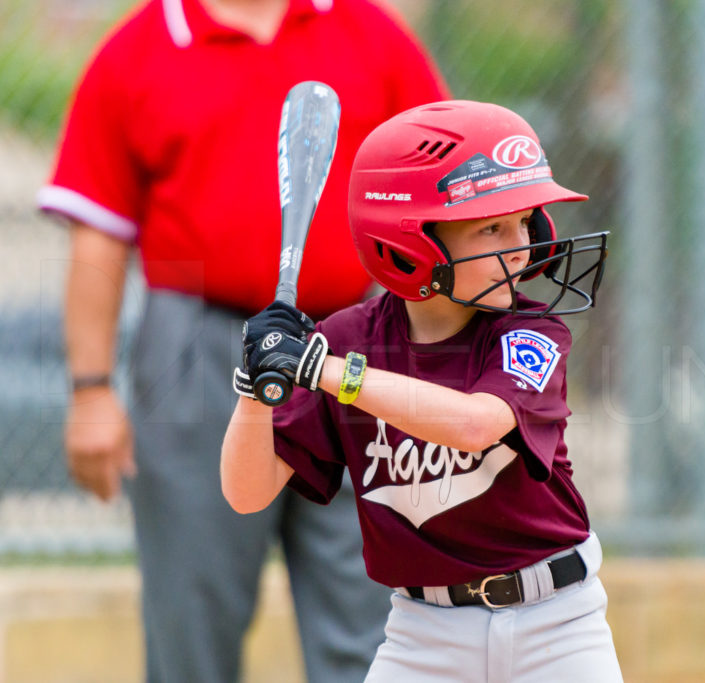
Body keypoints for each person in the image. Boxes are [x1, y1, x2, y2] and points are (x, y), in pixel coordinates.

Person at [37, 1, 449, 681]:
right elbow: (99, 237)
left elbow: (436, 203)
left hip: (353, 341)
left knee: (375, 626)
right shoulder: (141, 49)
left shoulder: (368, 32)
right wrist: (90, 393)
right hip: (196, 343)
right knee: (193, 619)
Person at [221, 99, 623, 682]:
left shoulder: (531, 332)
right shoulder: (346, 340)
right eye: (492, 226)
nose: (522, 246)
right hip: (423, 637)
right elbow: (246, 493)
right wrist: (256, 385)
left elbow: (474, 425)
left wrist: (326, 372)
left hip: (557, 625)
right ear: (410, 245)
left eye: (524, 221)